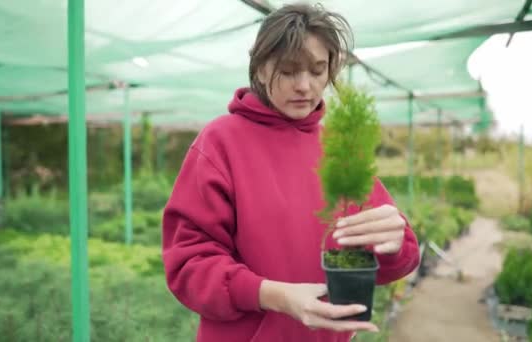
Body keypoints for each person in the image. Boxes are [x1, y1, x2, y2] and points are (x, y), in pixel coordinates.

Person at [162, 3, 420, 341]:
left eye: (317, 70)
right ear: (260, 67)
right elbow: (188, 264)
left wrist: (394, 242)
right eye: (288, 70)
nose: (304, 86)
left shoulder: (338, 149)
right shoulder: (221, 142)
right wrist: (272, 295)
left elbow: (398, 257)